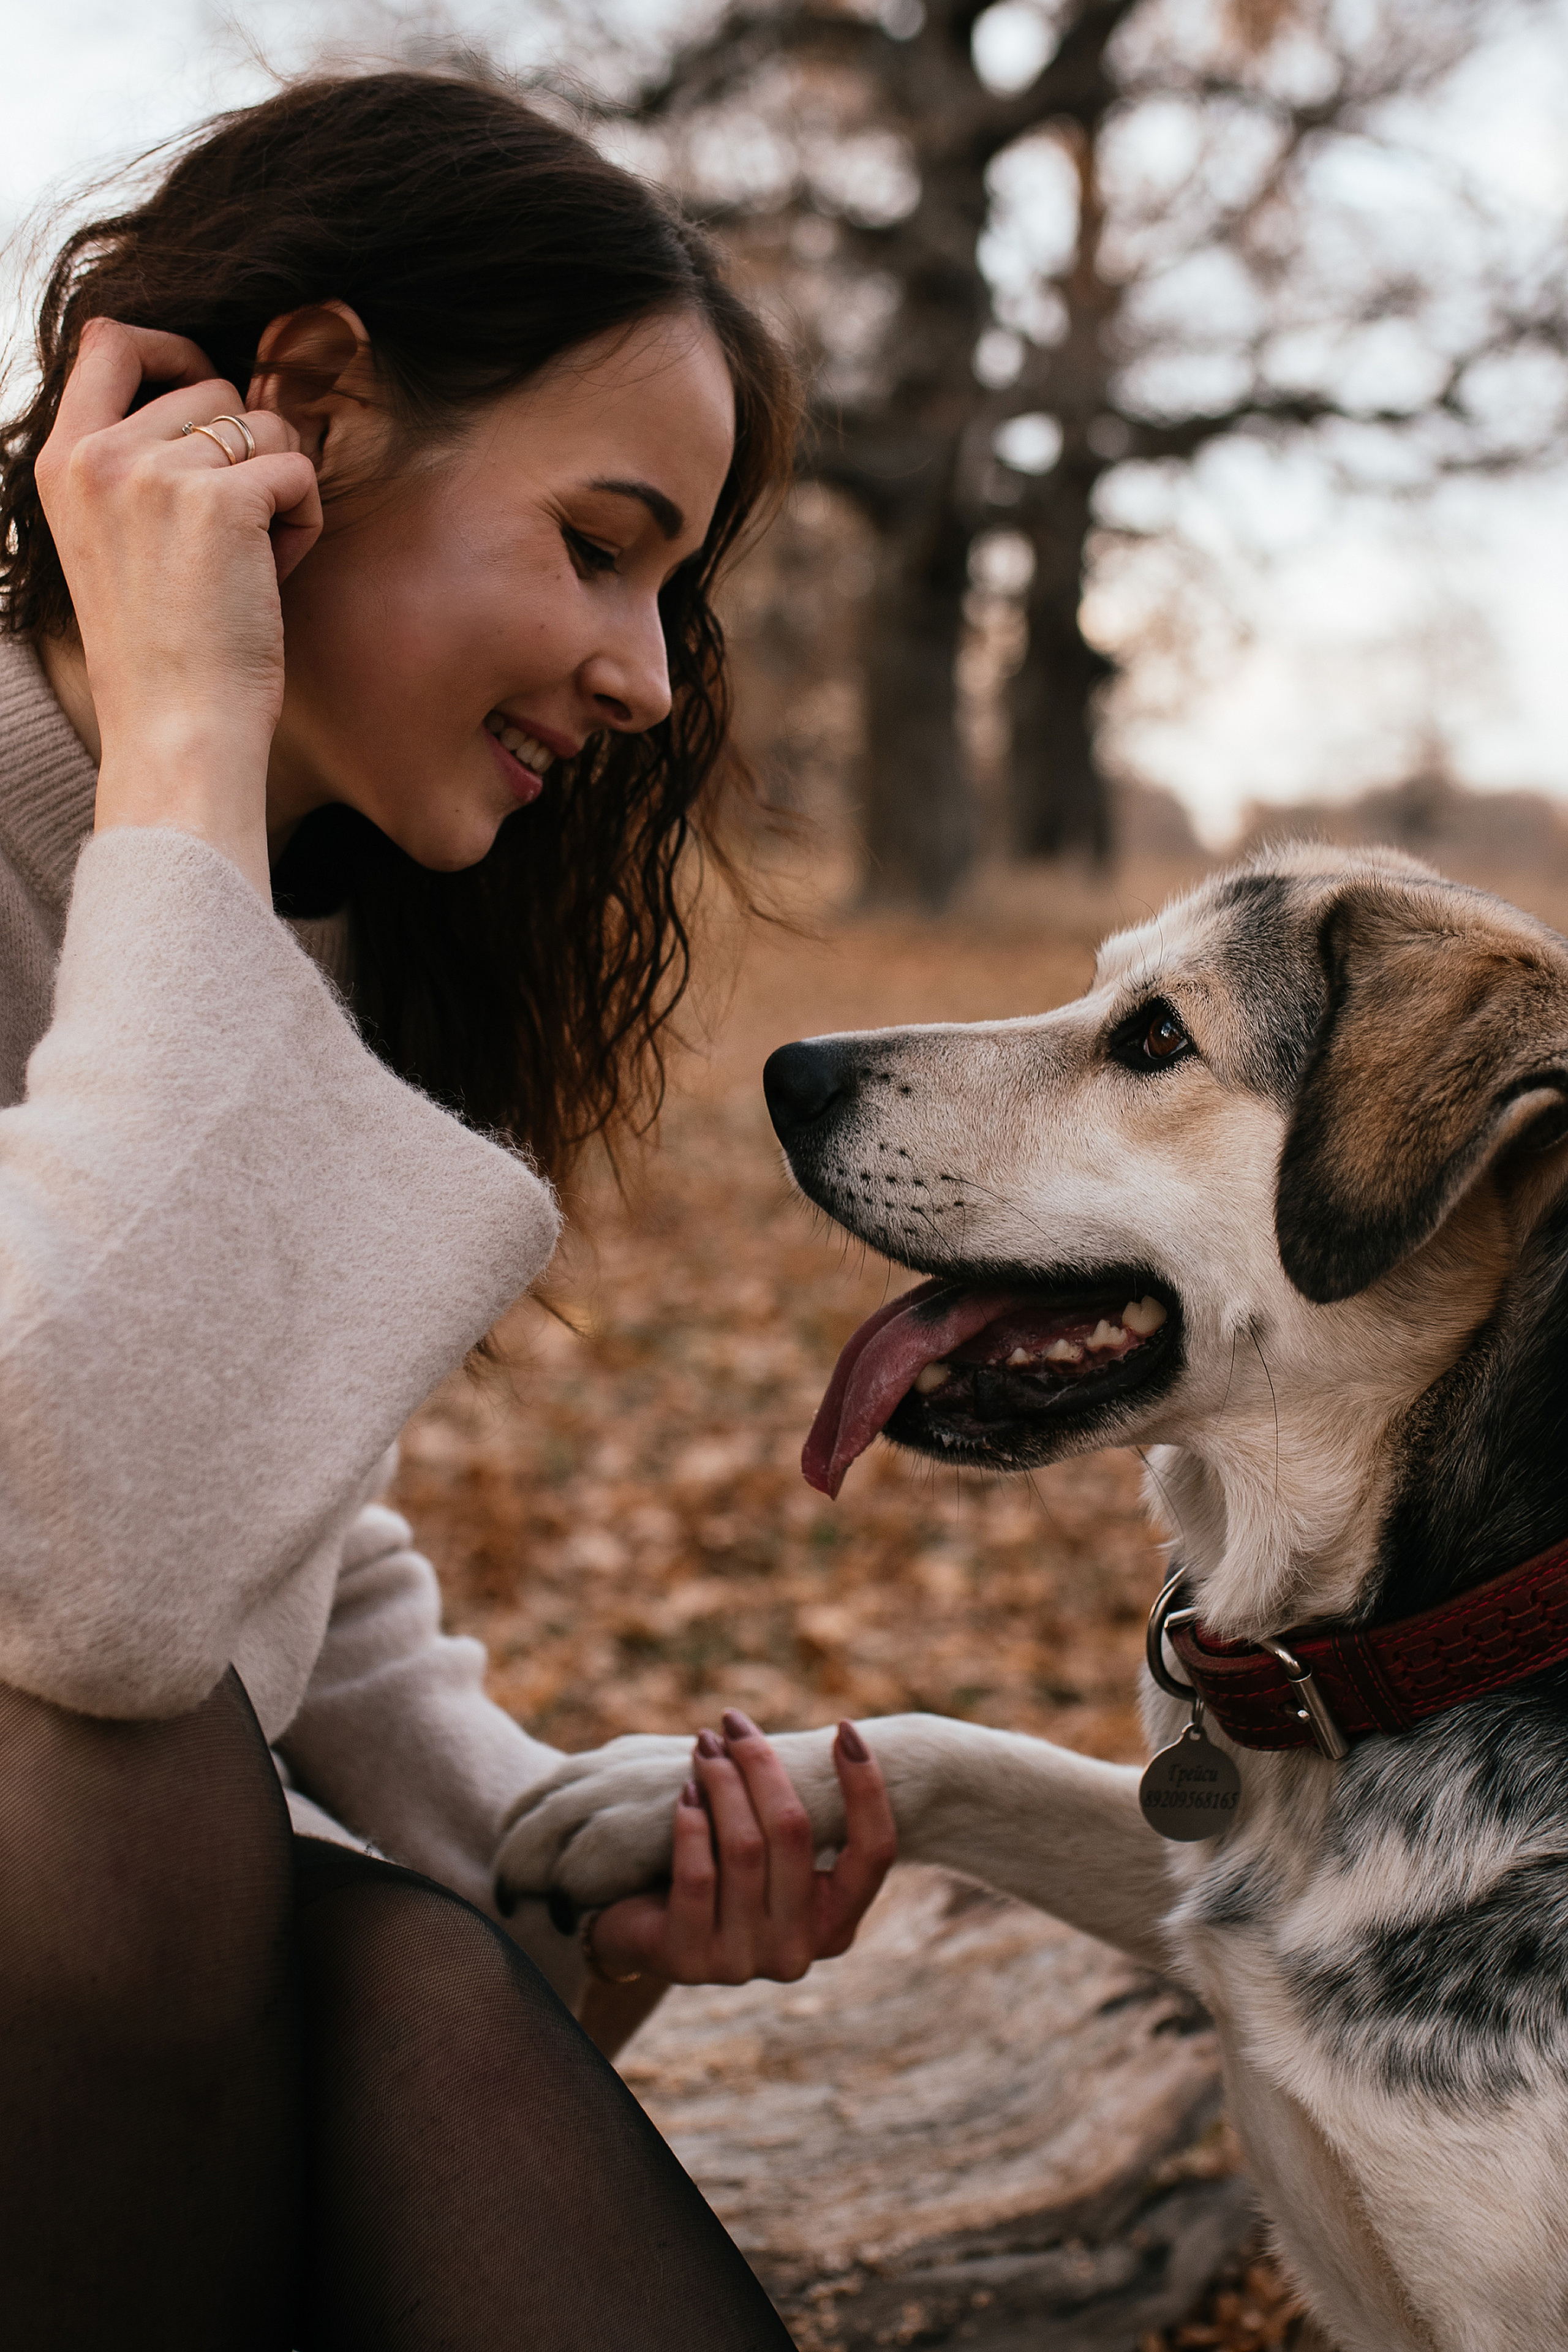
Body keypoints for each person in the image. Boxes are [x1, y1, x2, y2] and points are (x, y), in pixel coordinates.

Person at [0, 67, 897, 2348]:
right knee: (130, 1779)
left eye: (673, 588)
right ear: (304, 410)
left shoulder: (262, 917)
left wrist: (540, 1840)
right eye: (600, 545)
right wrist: (187, 735)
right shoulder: (176, 847)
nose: (649, 673)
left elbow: (273, 1522)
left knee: (415, 1976)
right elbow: (93, 1571)